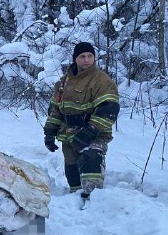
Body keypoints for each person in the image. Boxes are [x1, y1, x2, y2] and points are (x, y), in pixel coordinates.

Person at [43, 42, 119, 204]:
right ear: (75, 59)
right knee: (73, 179)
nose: (86, 60)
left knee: (90, 171)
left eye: (90, 56)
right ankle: (75, 213)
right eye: (82, 56)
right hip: (69, 136)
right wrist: (49, 132)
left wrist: (90, 131)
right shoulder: (63, 83)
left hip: (94, 136)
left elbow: (109, 109)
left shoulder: (102, 81)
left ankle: (94, 209)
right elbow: (55, 110)